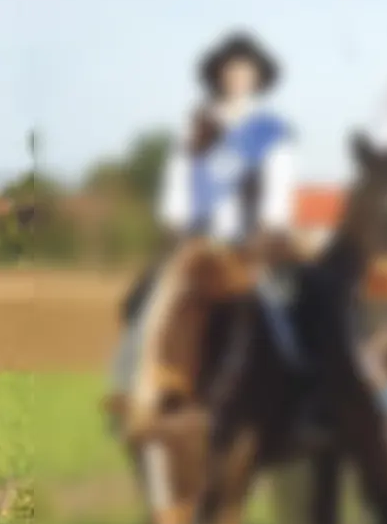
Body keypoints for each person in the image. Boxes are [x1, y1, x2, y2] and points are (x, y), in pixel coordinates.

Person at [107, 31, 309, 421]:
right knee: (143, 298)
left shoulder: (269, 132)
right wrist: (181, 229)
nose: (238, 78)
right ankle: (133, 387)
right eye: (231, 71)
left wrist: (263, 237)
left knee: (284, 305)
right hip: (198, 245)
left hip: (251, 246)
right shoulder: (197, 127)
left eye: (246, 72)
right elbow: (179, 186)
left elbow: (279, 193)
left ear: (258, 79)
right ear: (219, 77)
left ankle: (302, 390)